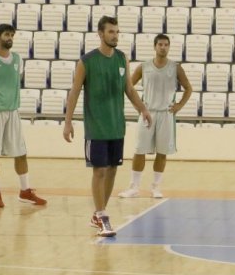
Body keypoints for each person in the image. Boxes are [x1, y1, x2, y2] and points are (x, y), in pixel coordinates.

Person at [63, 16, 151, 237]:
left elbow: (129, 89)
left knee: (112, 170)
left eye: (117, 32)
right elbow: (74, 92)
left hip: (116, 125)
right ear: (100, 34)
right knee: (99, 170)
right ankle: (102, 215)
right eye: (111, 32)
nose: (115, 35)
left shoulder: (122, 58)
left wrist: (143, 108)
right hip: (96, 126)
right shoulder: (87, 61)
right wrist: (68, 121)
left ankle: (99, 212)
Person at [0, 24, 46, 208]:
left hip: (12, 110)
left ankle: (25, 191)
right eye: (7, 34)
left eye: (12, 35)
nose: (10, 38)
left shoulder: (17, 59)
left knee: (21, 153)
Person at [118, 34, 192, 199]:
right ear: (155, 46)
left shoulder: (175, 67)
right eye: (160, 44)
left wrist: (179, 105)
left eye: (166, 44)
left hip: (166, 114)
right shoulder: (144, 67)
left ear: (169, 47)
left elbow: (188, 88)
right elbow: (128, 86)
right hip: (147, 112)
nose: (163, 47)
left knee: (162, 151)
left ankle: (156, 187)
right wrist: (139, 106)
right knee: (139, 150)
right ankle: (134, 187)